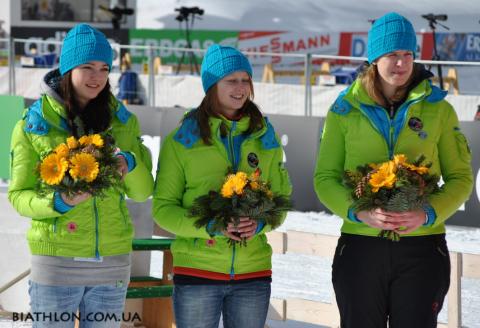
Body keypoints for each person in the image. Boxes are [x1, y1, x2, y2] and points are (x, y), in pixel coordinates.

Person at [313, 12, 473, 328]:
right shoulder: (344, 110)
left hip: (421, 247)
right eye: (392, 55)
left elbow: (461, 178)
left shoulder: (439, 108)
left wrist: (427, 213)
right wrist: (359, 213)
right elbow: (325, 179)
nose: (401, 63)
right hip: (361, 247)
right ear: (374, 59)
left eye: (407, 55)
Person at [8, 24, 154, 327]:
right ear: (67, 68)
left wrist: (130, 162)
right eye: (87, 67)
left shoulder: (122, 122)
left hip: (111, 264)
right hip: (57, 262)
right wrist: (59, 202)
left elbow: (141, 193)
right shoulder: (33, 124)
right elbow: (19, 195)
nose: (97, 77)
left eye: (104, 68)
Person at [152, 44, 291, 328]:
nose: (240, 88)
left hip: (253, 274)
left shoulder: (264, 135)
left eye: (245, 80)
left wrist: (260, 224)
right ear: (211, 85)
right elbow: (163, 210)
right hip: (197, 273)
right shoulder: (182, 140)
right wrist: (211, 226)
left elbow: (280, 199)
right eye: (231, 80)